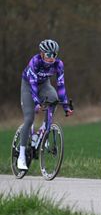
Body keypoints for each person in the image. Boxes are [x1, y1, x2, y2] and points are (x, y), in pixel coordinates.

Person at [18, 39, 74, 170]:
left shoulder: (59, 64)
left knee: (54, 98)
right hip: (28, 85)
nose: (51, 58)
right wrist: (36, 102)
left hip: (44, 85)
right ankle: (21, 156)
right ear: (42, 53)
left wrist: (66, 106)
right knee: (29, 118)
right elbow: (32, 84)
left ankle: (44, 130)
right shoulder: (35, 61)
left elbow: (61, 86)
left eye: (54, 55)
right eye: (48, 54)